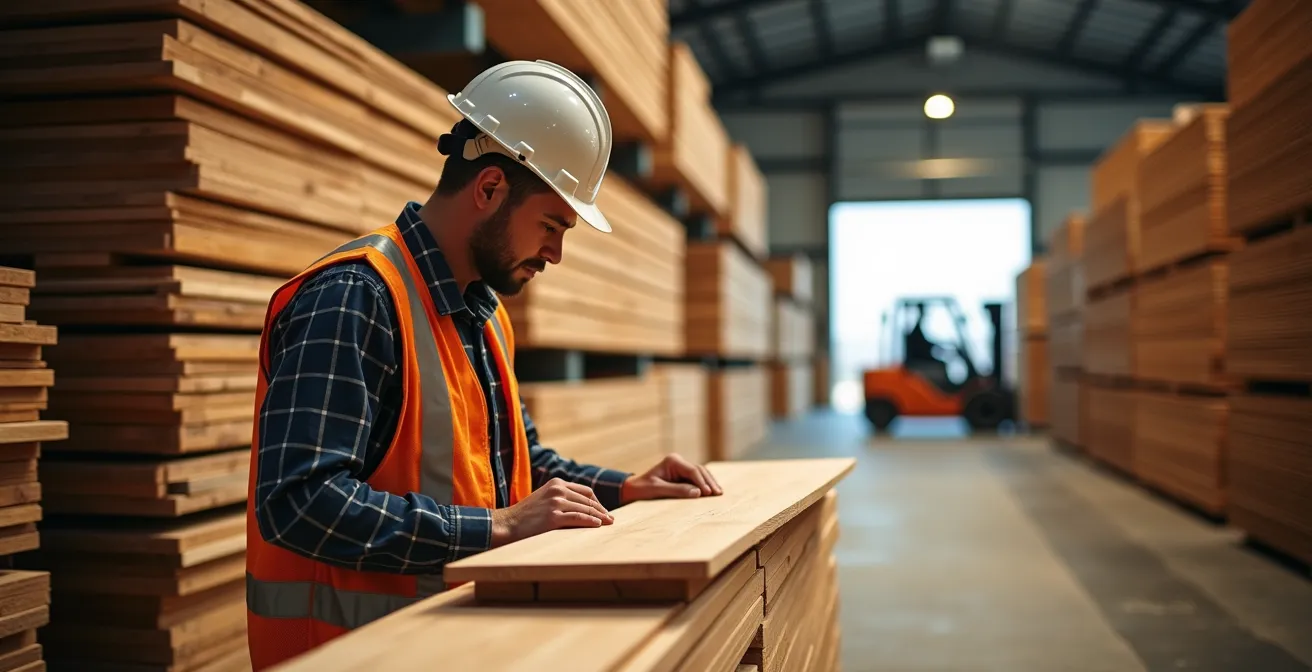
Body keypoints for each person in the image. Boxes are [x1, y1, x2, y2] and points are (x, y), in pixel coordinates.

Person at [244, 60, 723, 670]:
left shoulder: (483, 315)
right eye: (551, 224)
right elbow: (299, 503)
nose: (555, 252)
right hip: (350, 656)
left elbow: (516, 466)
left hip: (449, 648)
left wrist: (625, 488)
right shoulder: (354, 297)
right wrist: (496, 528)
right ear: (490, 189)